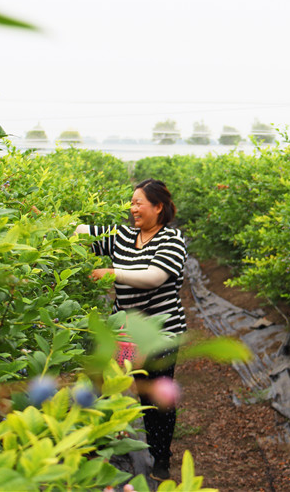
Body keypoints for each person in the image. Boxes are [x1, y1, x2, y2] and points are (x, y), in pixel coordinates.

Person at [75, 178, 187, 482]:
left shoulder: (172, 240)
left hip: (159, 334)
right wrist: (46, 220)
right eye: (131, 202)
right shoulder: (122, 235)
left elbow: (153, 277)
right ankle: (98, 446)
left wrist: (111, 272)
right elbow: (80, 233)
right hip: (122, 331)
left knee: (155, 399)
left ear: (158, 207)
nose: (132, 208)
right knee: (101, 386)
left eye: (138, 202)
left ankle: (160, 458)